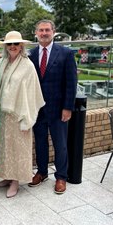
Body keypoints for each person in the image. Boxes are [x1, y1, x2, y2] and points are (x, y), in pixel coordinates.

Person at [0, 31, 44, 198]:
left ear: (21, 46)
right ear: (6, 47)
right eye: (9, 44)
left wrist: (26, 116)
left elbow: (32, 92)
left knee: (18, 149)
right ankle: (7, 177)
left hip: (19, 113)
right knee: (4, 148)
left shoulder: (27, 65)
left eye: (16, 44)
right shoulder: (0, 63)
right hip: (4, 114)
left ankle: (16, 181)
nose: (13, 47)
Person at [28, 19, 77, 194]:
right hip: (38, 109)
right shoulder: (31, 55)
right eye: (40, 30)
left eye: (47, 30)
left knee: (60, 144)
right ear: (36, 32)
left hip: (58, 109)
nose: (44, 33)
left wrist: (67, 107)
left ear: (53, 31)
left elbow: (71, 83)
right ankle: (42, 172)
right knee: (40, 142)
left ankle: (61, 177)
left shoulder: (65, 53)